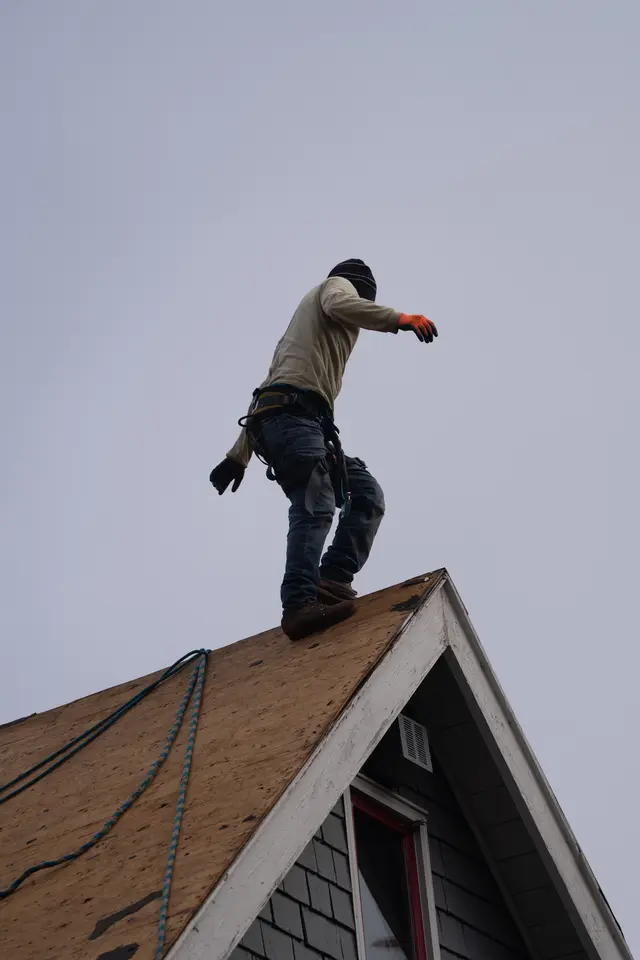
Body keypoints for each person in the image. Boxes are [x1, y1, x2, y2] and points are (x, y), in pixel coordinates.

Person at [210, 259, 437, 641]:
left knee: (365, 494)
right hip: (291, 420)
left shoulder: (308, 338)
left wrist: (238, 456)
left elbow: (266, 387)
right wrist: (401, 319)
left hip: (300, 421)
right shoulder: (336, 288)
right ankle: (298, 604)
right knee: (315, 502)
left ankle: (329, 581)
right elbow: (338, 304)